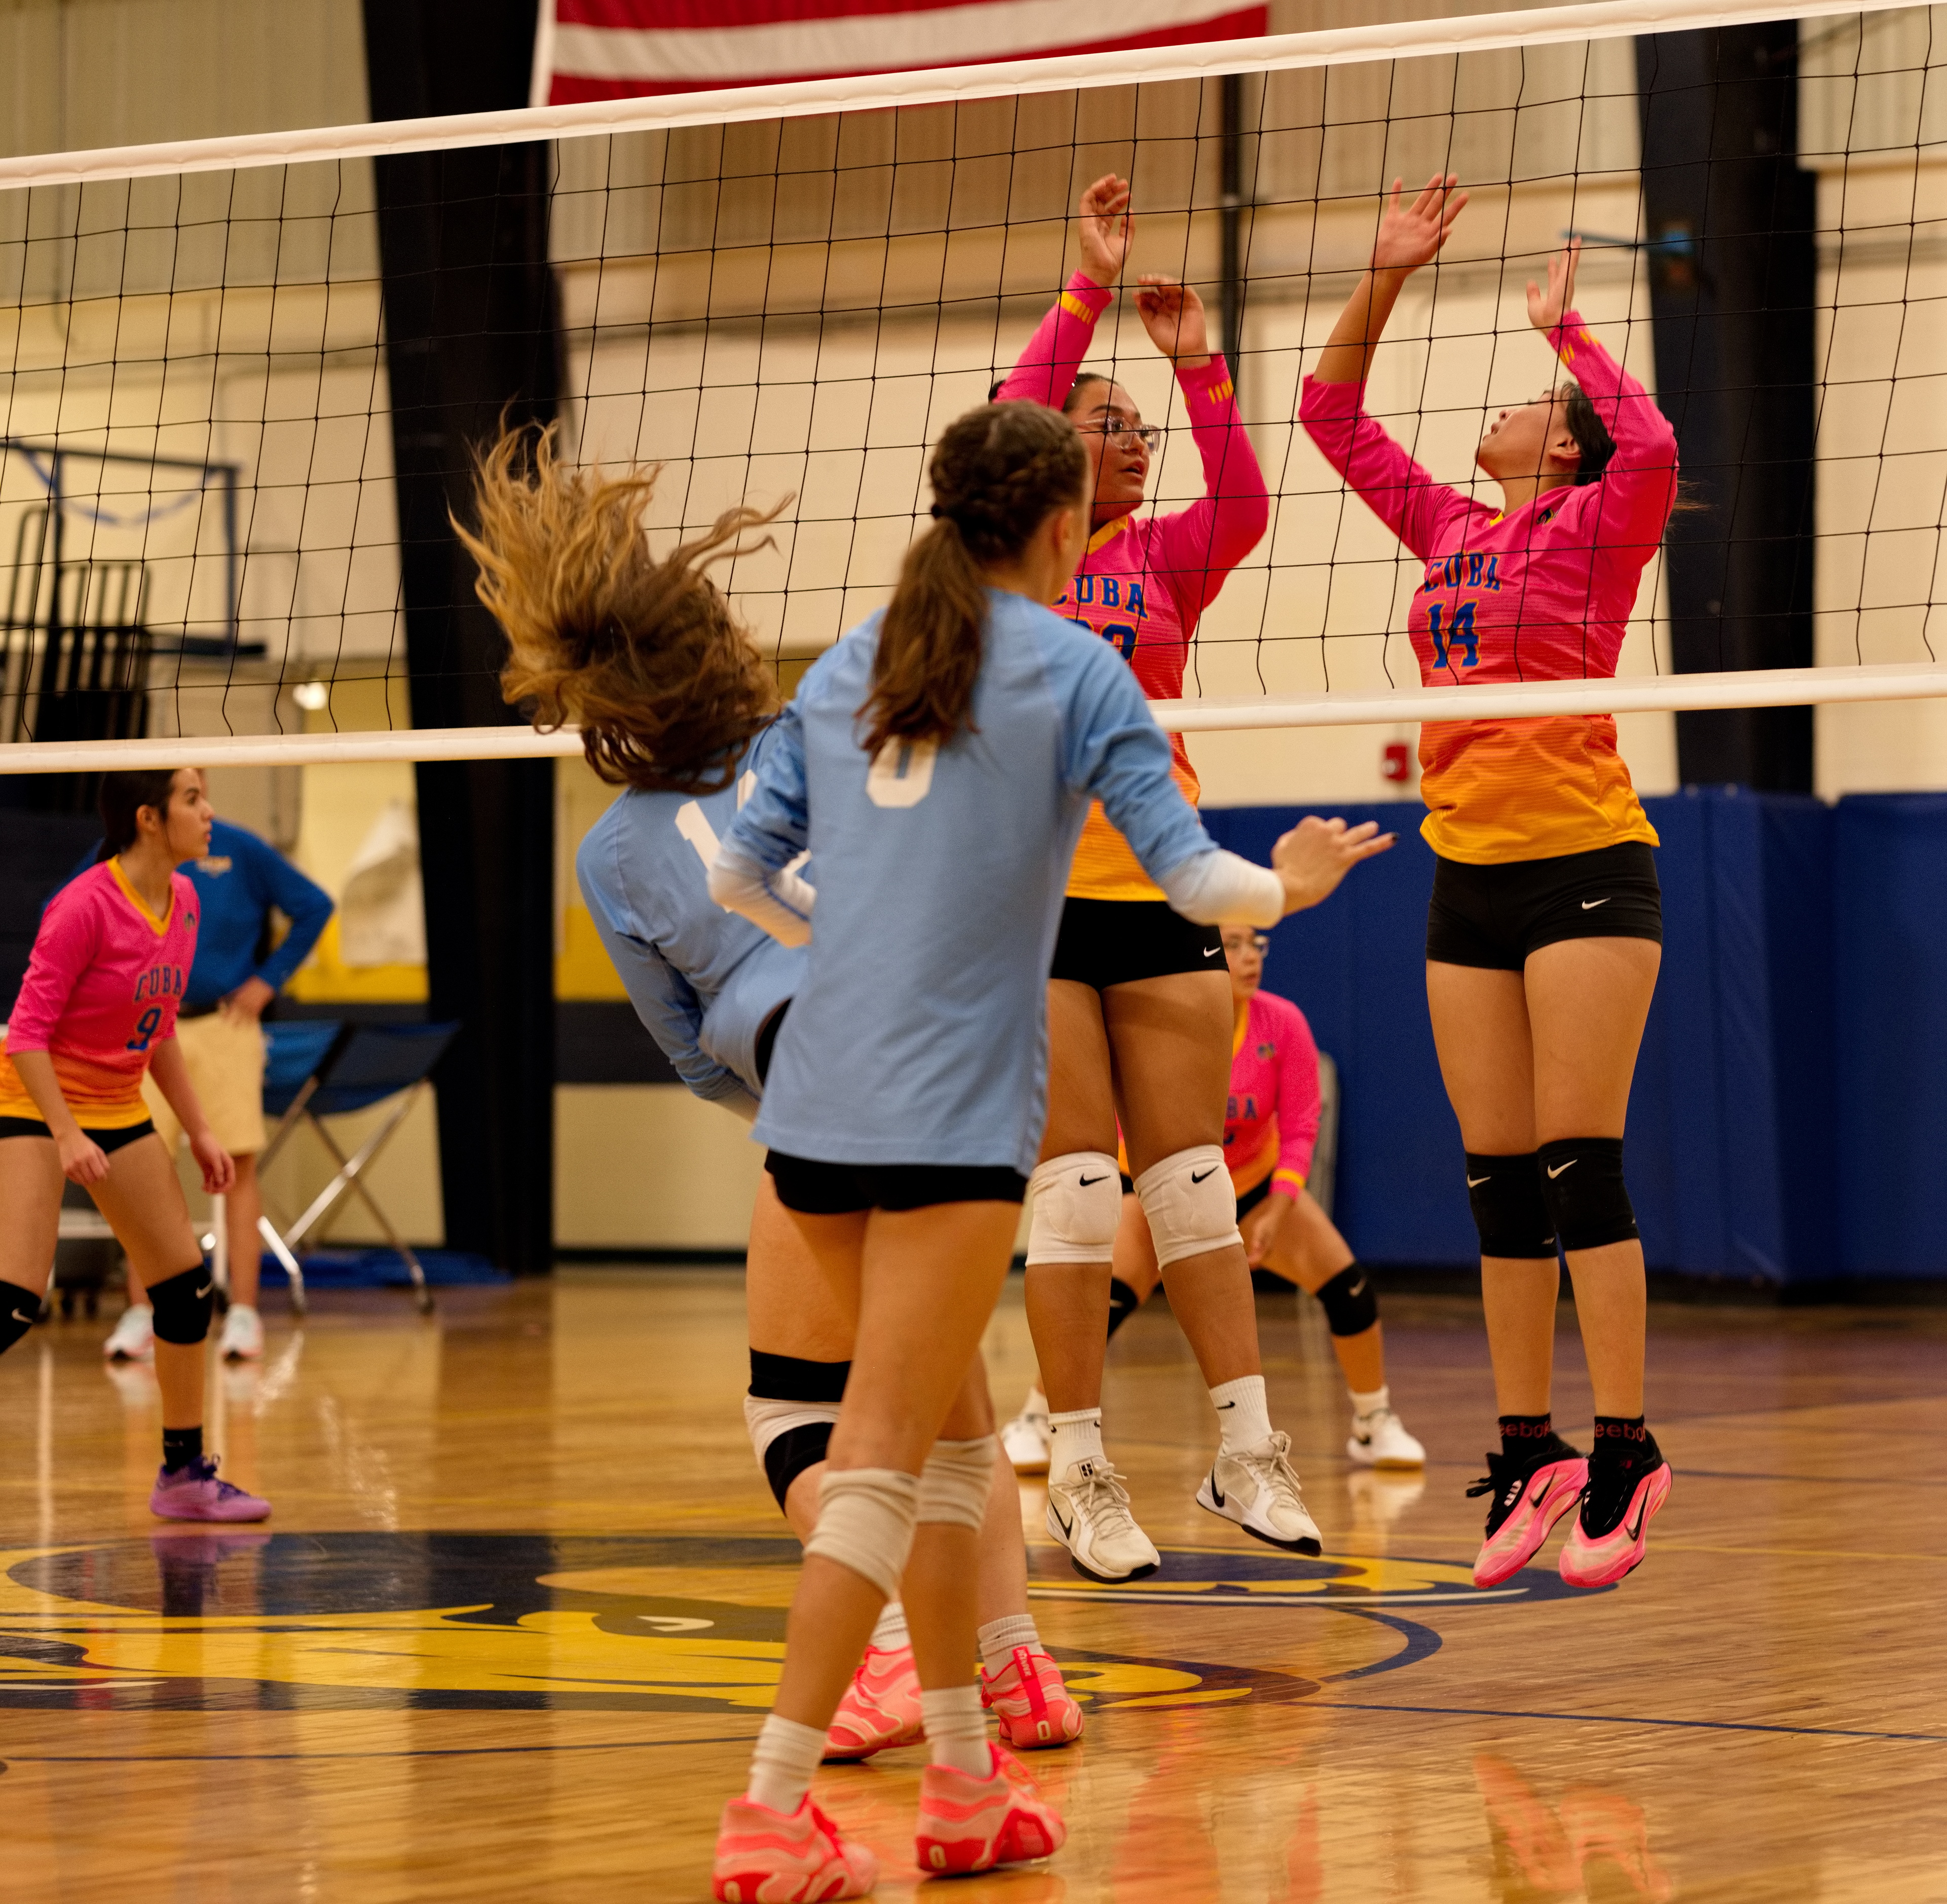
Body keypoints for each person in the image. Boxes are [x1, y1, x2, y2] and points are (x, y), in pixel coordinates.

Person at [703, 399, 1388, 1898]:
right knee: (887, 1462)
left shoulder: (851, 658)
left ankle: (963, 1782)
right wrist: (1302, 879)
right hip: (945, 1111)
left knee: (953, 1456)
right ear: (1067, 526)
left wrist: (870, 941)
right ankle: (765, 1810)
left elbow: (740, 868)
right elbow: (1192, 875)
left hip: (816, 1094)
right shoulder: (1078, 667)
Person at [458, 426, 1082, 1765]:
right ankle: (1016, 1663)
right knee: (945, 1380)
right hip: (952, 1040)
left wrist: (788, 1125)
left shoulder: (614, 852)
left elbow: (687, 1050)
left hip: (818, 1061)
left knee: (799, 1406)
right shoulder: (826, 730)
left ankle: (903, 1654)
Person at [1301, 178, 1680, 1590]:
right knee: (1498, 1180)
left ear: (1562, 444)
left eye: (1531, 400)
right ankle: (1534, 1449)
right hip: (1467, 871)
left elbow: (1652, 437)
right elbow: (1332, 422)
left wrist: (1571, 329)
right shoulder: (1454, 530)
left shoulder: (1597, 524)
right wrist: (1386, 273)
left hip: (1586, 865)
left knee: (1584, 1162)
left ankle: (1629, 1445)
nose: (1508, 406)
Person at [995, 172, 1316, 1586]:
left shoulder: (1171, 558)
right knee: (1075, 1189)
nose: (1127, 445)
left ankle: (1245, 1448)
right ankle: (1076, 1464)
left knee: (1189, 1184)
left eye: (1137, 432)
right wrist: (1082, 287)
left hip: (1164, 886)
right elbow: (1009, 409)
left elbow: (1242, 491)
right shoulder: (1009, 569)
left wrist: (1198, 367)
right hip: (1039, 890)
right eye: (1102, 425)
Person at [1005, 920, 1426, 1473]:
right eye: (1232, 944)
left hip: (1253, 1186)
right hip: (1158, 1190)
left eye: (1257, 943)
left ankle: (1373, 1421)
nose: (1249, 956)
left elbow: (1301, 1125)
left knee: (1350, 1291)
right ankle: (1037, 1418)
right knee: (1099, 1306)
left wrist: (1278, 1207)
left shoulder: (1282, 1021)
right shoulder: (1157, 1013)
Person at [0, 768, 270, 1523]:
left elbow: (159, 1028)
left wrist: (204, 1127)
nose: (209, 812)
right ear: (149, 818)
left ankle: (184, 1477)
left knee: (184, 1292)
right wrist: (64, 1132)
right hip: (33, 1100)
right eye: (193, 799)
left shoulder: (183, 900)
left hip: (117, 1103)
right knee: (14, 1302)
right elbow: (25, 1035)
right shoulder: (83, 906)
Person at [95, 812, 332, 1363]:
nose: (198, 804)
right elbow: (68, 910)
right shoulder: (125, 850)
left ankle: (244, 1314)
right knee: (140, 1163)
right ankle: (142, 1312)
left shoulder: (238, 847)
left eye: (200, 789)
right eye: (186, 790)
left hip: (224, 1024)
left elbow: (315, 906)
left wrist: (267, 982)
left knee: (236, 1165)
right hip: (148, 1024)